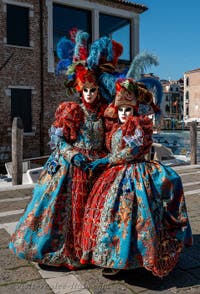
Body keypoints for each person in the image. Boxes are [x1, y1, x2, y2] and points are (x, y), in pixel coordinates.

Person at [9, 32, 123, 270]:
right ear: (79, 90)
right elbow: (59, 140)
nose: (90, 94)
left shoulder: (105, 112)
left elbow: (111, 137)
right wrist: (74, 155)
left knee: (98, 209)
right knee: (72, 210)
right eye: (86, 90)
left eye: (93, 90)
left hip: (98, 166)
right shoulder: (71, 110)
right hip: (74, 165)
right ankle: (71, 251)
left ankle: (95, 251)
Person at [80, 78, 193, 277]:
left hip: (135, 173)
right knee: (109, 214)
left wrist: (105, 161)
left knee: (134, 215)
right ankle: (112, 256)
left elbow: (130, 152)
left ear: (135, 110)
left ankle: (137, 257)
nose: (124, 114)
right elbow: (115, 150)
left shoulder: (138, 127)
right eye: (121, 109)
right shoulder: (115, 129)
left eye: (128, 110)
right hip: (114, 173)